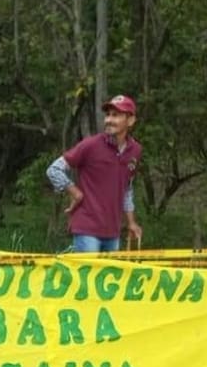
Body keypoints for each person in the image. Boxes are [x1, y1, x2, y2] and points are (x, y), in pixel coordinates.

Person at [46, 95, 143, 252]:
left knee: (109, 277)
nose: (109, 120)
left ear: (130, 120)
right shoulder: (91, 145)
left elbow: (127, 188)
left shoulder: (135, 151)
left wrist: (131, 222)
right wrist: (74, 191)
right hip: (87, 228)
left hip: (113, 231)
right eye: (108, 115)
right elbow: (53, 169)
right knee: (88, 276)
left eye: (116, 115)